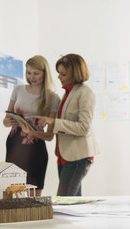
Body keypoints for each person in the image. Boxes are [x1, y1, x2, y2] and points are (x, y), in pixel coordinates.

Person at [34, 54, 99, 196]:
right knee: (74, 204)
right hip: (65, 156)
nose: (59, 77)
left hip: (77, 157)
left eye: (63, 74)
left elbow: (84, 128)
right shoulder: (68, 93)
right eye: (58, 73)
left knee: (64, 202)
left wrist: (53, 122)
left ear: (75, 74)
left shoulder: (85, 93)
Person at [3, 55, 60, 197]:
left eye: (36, 73)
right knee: (12, 193)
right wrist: (7, 122)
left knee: (33, 196)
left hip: (35, 148)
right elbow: (5, 119)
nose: (31, 77)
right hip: (14, 145)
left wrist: (31, 132)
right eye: (28, 73)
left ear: (44, 73)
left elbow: (49, 136)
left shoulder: (53, 98)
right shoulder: (18, 90)